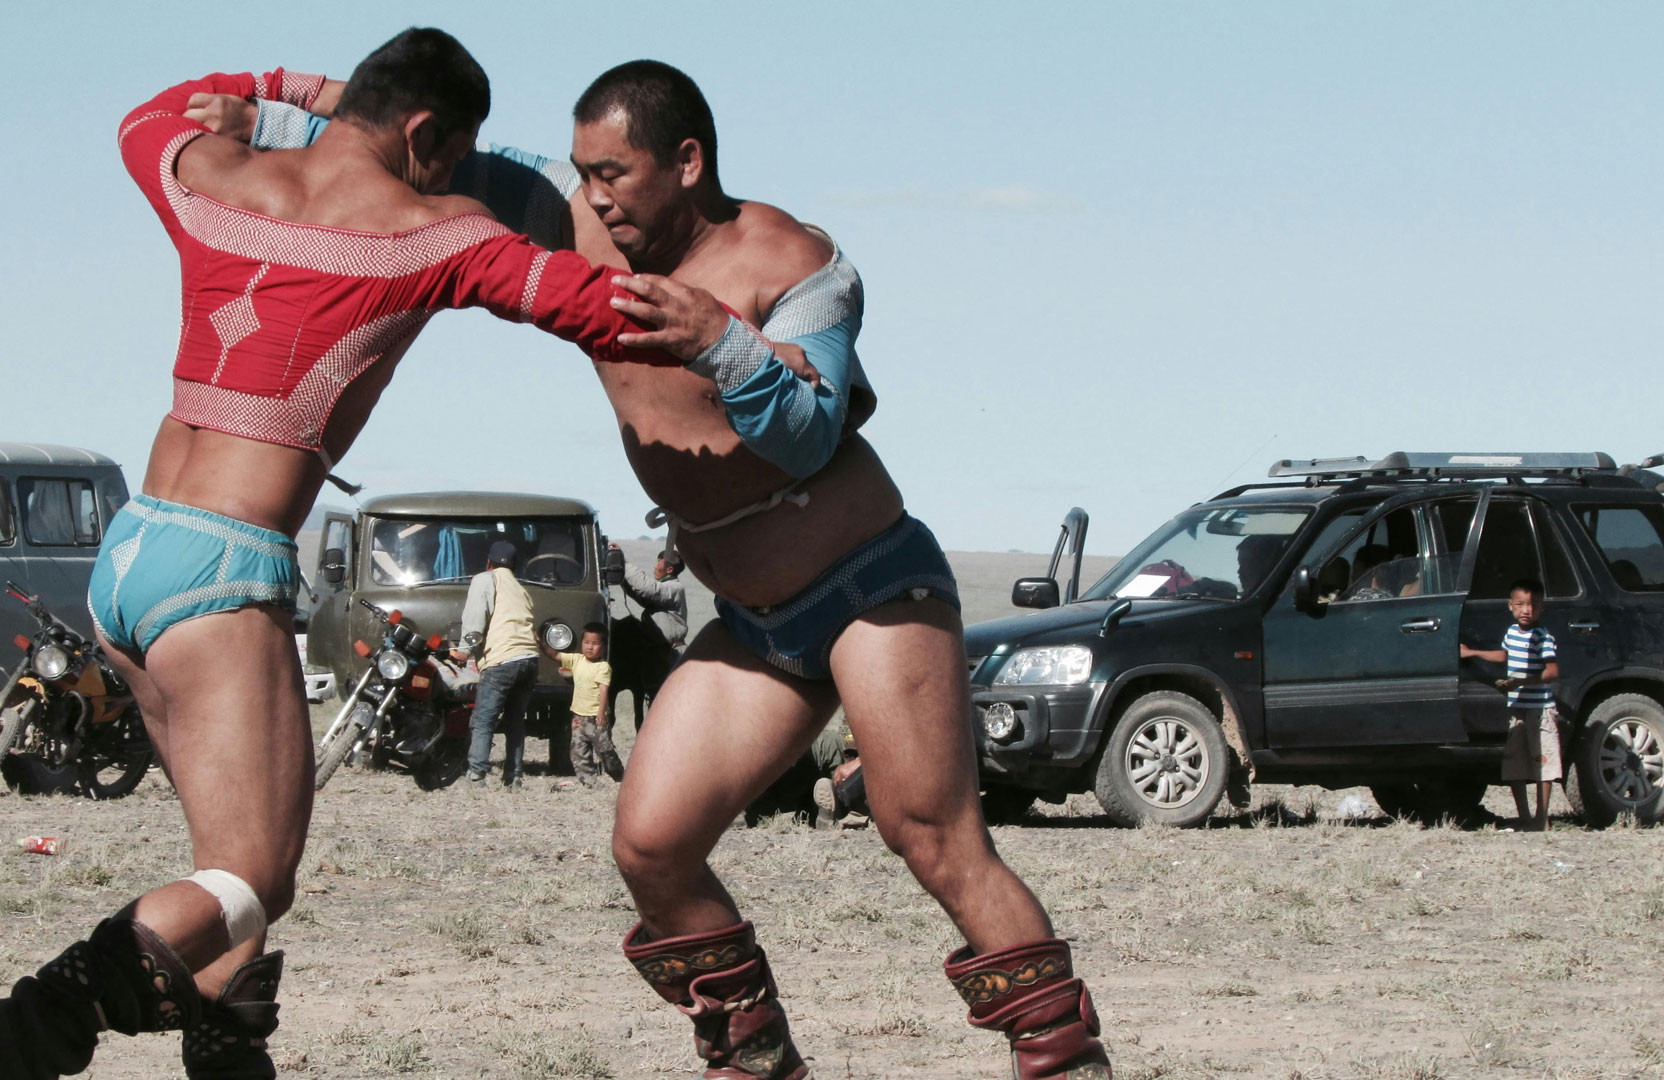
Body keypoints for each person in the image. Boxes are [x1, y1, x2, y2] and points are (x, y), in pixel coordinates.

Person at [244, 59, 1109, 1080]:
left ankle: (1065, 1062)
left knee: (929, 834)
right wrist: (277, 103)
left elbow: (808, 428)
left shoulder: (798, 263)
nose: (597, 195)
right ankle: (755, 1057)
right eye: (583, 172)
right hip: (751, 619)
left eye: (615, 171)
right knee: (651, 845)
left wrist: (722, 345)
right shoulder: (577, 226)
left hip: (868, 585)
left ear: (687, 162)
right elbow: (430, 156)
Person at [0, 31, 732, 1080]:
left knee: (225, 877)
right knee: (258, 876)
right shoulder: (432, 230)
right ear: (424, 135)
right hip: (225, 569)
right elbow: (597, 309)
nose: (456, 176)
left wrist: (291, 94)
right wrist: (731, 332)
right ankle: (41, 1018)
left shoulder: (212, 176)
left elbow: (154, 110)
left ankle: (228, 1061)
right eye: (453, 155)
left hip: (133, 555)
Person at [1461, 579, 1562, 831]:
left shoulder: (1543, 637)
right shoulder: (1511, 633)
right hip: (1517, 709)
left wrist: (1521, 682)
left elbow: (1552, 671)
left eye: (1533, 605)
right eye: (1520, 604)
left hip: (1540, 710)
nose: (1526, 610)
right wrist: (1473, 652)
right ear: (1510, 606)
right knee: (1515, 762)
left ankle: (1542, 816)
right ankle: (1524, 816)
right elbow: (1504, 655)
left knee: (1543, 762)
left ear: (1542, 608)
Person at [454, 540, 541, 788]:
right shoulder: (520, 589)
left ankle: (476, 776)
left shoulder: (485, 579)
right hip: (529, 659)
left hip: (502, 659)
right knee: (515, 720)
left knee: (484, 719)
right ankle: (514, 777)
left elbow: (474, 619)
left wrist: (463, 651)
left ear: (488, 563)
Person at [744, 727, 869, 830]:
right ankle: (830, 809)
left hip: (801, 762)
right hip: (765, 787)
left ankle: (830, 810)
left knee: (830, 743)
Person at [541, 621, 616, 786]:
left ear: (603, 646)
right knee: (578, 751)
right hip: (579, 717)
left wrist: (601, 714)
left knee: (605, 751)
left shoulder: (603, 667)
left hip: (596, 718)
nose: (590, 647)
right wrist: (541, 643)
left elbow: (603, 691)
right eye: (586, 642)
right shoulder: (576, 660)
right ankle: (588, 781)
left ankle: (618, 774)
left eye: (595, 643)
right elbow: (555, 655)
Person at [614, 542, 689, 649]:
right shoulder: (667, 588)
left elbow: (648, 589)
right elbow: (641, 595)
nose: (655, 566)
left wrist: (623, 563)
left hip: (671, 652)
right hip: (660, 650)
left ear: (669, 569)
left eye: (659, 562)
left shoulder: (675, 588)